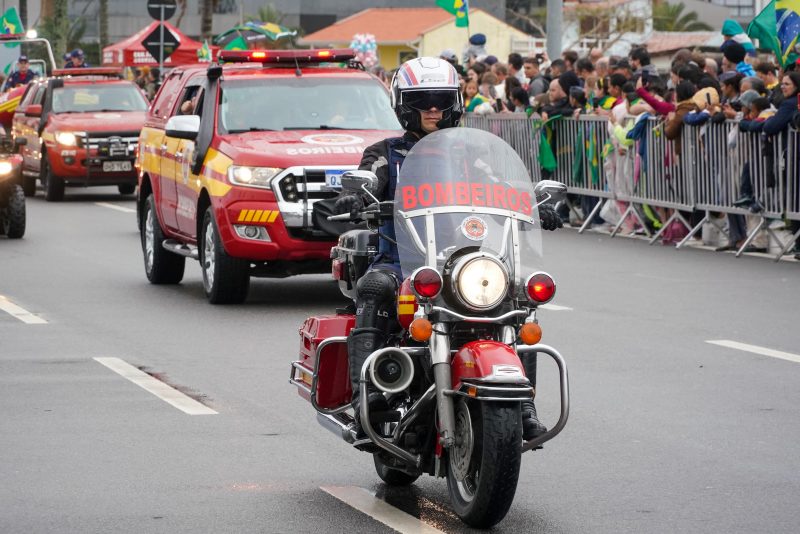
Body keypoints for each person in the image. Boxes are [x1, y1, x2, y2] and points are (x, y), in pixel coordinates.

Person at [334, 57, 562, 440]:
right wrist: (355, 196)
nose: (434, 108)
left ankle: (522, 402)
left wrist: (538, 203)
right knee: (375, 287)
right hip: (403, 260)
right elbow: (369, 180)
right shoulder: (384, 153)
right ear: (404, 104)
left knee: (517, 301)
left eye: (441, 98)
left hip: (464, 259)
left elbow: (505, 188)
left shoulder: (469, 155)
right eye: (423, 100)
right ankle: (367, 397)